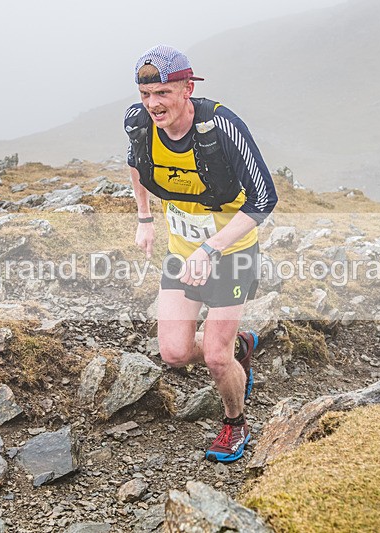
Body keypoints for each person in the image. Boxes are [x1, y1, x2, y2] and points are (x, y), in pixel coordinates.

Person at [124, 45, 278, 463]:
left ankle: (235, 421)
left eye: (163, 93)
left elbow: (264, 199)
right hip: (181, 252)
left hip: (232, 253)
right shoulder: (139, 124)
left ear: (187, 88)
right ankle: (240, 348)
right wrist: (144, 218)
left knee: (213, 357)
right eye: (146, 95)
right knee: (173, 353)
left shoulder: (221, 127)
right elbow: (137, 167)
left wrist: (211, 248)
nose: (153, 104)